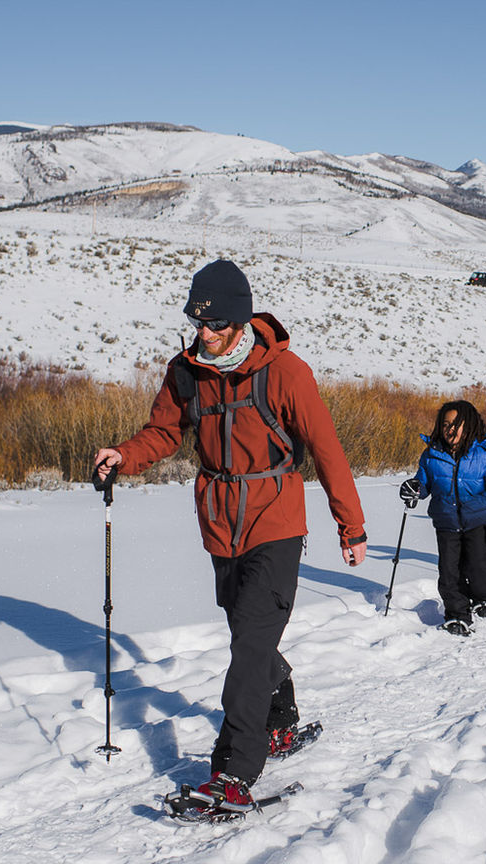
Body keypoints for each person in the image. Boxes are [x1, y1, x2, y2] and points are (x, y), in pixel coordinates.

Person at [92, 259, 367, 814]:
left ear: (239, 320)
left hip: (276, 520)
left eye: (216, 323)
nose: (206, 333)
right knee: (249, 634)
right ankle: (279, 720)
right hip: (220, 525)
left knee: (249, 644)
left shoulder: (285, 372)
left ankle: (233, 771)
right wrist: (124, 455)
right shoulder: (186, 371)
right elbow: (163, 431)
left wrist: (351, 525)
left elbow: (326, 449)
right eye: (199, 322)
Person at [399, 400, 486, 636]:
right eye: (445, 424)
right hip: (446, 522)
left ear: (469, 426)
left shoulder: (483, 455)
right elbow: (424, 484)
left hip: (478, 521)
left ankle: (484, 595)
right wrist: (414, 489)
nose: (450, 429)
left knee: (478, 565)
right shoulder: (431, 455)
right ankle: (457, 613)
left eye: (456, 424)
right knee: (449, 571)